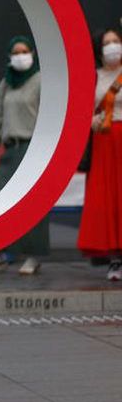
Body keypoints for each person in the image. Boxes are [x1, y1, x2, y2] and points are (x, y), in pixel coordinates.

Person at [0, 37, 48, 275]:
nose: (21, 56)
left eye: (25, 51)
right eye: (16, 52)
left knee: (32, 203)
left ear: (32, 53)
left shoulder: (40, 81)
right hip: (10, 149)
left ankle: (33, 256)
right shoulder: (6, 83)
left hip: (32, 148)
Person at [78, 27, 122, 281]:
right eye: (108, 43)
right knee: (108, 199)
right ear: (99, 49)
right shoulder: (93, 77)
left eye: (117, 41)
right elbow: (82, 110)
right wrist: (91, 121)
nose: (113, 46)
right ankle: (115, 259)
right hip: (104, 142)